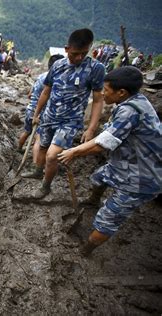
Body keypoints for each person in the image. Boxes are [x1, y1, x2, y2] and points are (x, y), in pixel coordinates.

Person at [57, 67, 162, 256]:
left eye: (106, 90)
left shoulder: (130, 112)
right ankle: (93, 201)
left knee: (108, 219)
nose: (102, 93)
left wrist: (73, 152)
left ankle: (84, 251)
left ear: (121, 92)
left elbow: (102, 144)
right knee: (98, 178)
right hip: (125, 163)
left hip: (141, 177)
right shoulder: (131, 101)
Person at [29, 28, 105, 199]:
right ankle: (37, 171)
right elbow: (46, 92)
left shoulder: (96, 68)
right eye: (75, 54)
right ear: (67, 49)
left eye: (83, 53)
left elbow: (98, 100)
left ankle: (46, 186)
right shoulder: (57, 65)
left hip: (70, 121)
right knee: (42, 147)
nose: (79, 58)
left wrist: (91, 128)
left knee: (52, 155)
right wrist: (37, 113)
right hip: (49, 116)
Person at [18, 55, 65, 169]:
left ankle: (18, 148)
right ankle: (36, 164)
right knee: (38, 138)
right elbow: (48, 97)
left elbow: (30, 94)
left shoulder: (41, 76)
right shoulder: (54, 79)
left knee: (27, 131)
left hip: (30, 109)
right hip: (40, 112)